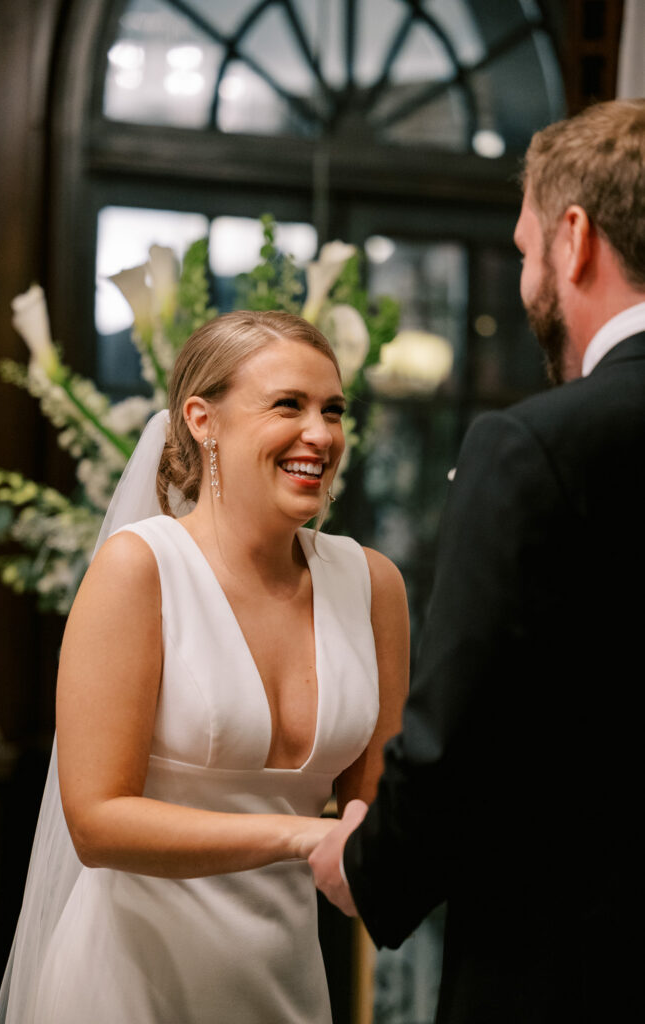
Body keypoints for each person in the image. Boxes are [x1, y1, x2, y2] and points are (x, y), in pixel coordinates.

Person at [310, 98, 645, 1022]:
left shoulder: (537, 445)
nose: (527, 277)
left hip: (574, 968)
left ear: (575, 239)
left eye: (527, 248)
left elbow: (457, 735)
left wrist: (367, 867)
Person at [0, 310, 409, 1023]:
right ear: (201, 419)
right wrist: (299, 834)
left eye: (333, 410)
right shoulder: (140, 569)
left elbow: (376, 800)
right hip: (128, 982)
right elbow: (95, 822)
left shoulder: (372, 584)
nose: (321, 433)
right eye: (289, 404)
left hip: (285, 977)